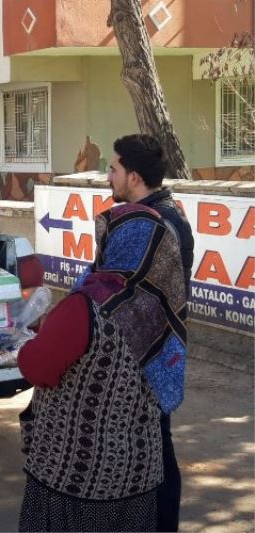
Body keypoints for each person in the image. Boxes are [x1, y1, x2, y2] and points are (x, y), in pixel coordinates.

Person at [16, 200, 188, 529]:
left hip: (77, 476)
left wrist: (22, 348)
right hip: (139, 475)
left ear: (116, 243)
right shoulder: (166, 310)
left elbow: (38, 368)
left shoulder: (86, 306)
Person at [108, 134, 194, 532]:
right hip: (150, 350)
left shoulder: (152, 224)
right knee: (152, 447)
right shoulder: (166, 211)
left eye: (114, 169)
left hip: (146, 355)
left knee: (156, 449)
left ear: (134, 176)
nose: (109, 176)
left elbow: (116, 291)